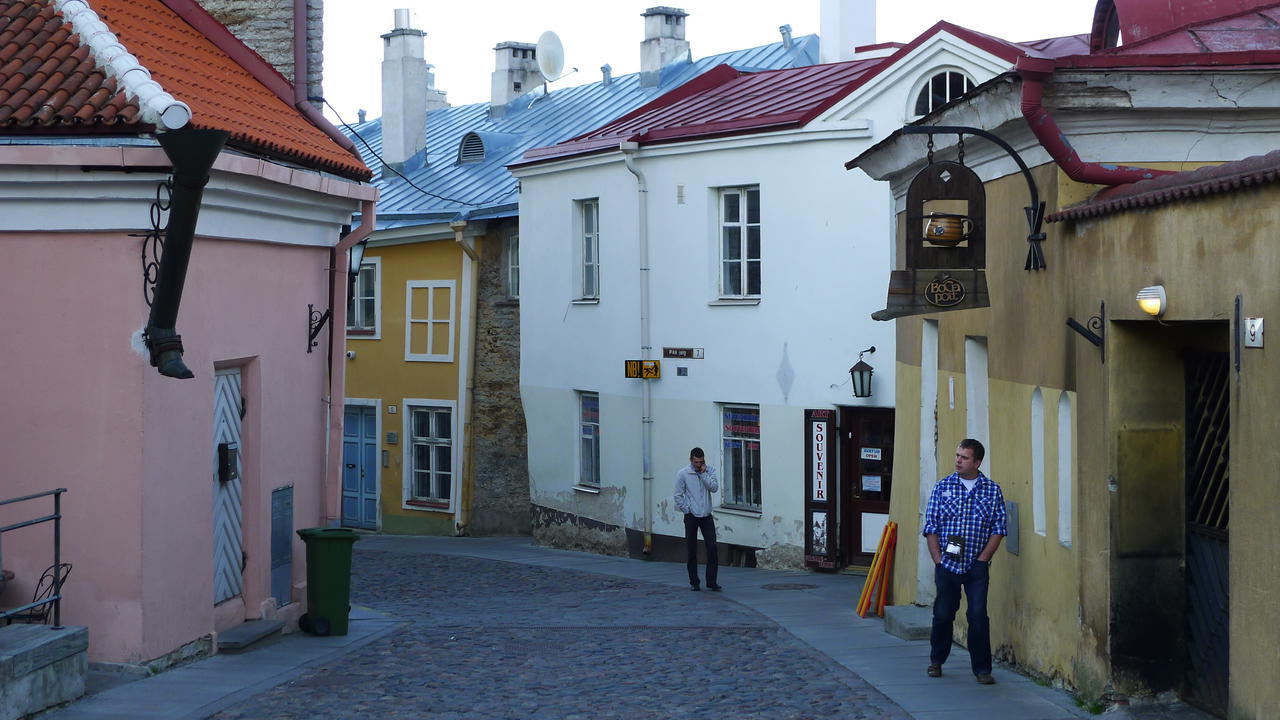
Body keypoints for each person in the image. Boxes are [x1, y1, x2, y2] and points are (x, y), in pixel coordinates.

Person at [923, 438, 1007, 685]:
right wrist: (938, 560)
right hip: (948, 564)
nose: (958, 460)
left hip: (976, 566)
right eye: (957, 455)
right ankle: (936, 660)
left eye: (964, 457)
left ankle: (982, 669)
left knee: (978, 616)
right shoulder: (943, 487)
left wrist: (983, 559)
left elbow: (999, 528)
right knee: (943, 614)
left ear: (977, 462)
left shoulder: (992, 490)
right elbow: (931, 526)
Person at [674, 447, 720, 591]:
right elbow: (678, 495)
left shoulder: (709, 470)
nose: (698, 465)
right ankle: (694, 581)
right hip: (691, 516)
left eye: (701, 462)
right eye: (696, 462)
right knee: (691, 549)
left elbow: (714, 488)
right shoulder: (683, 473)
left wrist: (703, 474)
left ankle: (711, 581)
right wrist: (687, 509)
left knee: (712, 547)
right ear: (691, 460)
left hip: (706, 516)